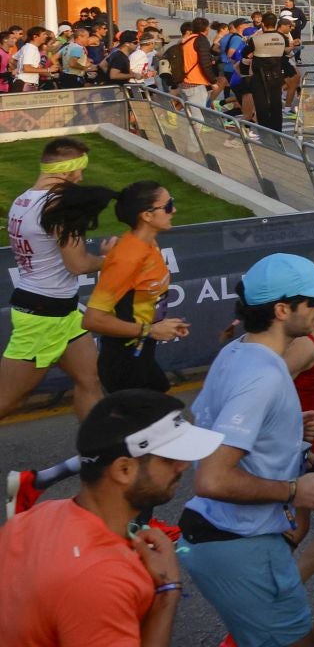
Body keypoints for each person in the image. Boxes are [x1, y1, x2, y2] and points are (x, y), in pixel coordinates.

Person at [179, 253, 314, 647]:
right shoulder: (264, 375)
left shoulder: (237, 351)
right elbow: (212, 477)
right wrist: (292, 491)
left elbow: (207, 423)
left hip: (224, 539)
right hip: (243, 543)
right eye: (313, 300)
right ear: (282, 309)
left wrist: (286, 431)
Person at [0, 388, 223, 647]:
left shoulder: (37, 516)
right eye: (169, 459)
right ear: (124, 469)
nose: (183, 465)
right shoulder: (100, 579)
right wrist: (167, 592)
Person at [0, 137, 109, 423]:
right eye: (79, 171)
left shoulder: (22, 199)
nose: (81, 178)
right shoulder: (59, 207)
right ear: (67, 170)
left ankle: (97, 454)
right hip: (42, 317)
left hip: (61, 311)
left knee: (90, 380)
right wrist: (116, 261)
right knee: (8, 400)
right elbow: (78, 264)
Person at [80, 182, 189, 394]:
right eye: (168, 205)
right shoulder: (128, 257)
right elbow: (92, 320)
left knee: (163, 417)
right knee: (160, 419)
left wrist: (159, 325)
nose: (173, 210)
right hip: (125, 362)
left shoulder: (148, 245)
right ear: (147, 216)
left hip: (142, 353)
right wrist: (151, 330)